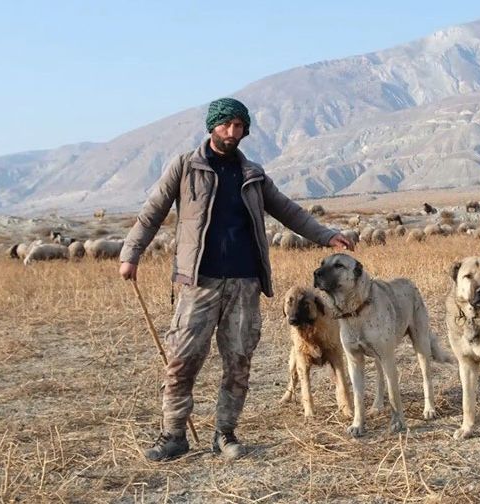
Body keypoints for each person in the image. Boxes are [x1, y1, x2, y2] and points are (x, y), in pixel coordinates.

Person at [119, 97, 354, 462]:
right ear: (212, 126)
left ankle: (225, 434)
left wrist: (325, 235)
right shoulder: (186, 167)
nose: (232, 132)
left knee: (239, 360)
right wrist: (130, 254)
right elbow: (151, 214)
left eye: (239, 126)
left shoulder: (253, 176)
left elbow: (289, 211)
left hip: (245, 283)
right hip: (198, 282)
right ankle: (173, 435)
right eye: (226, 125)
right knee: (182, 359)